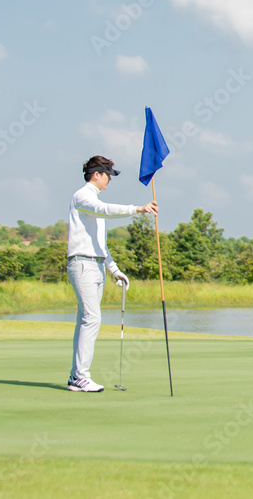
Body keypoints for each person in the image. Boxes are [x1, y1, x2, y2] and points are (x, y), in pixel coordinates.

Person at [66, 156, 158, 392]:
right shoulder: (83, 196)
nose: (109, 180)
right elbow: (103, 209)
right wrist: (137, 208)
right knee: (92, 318)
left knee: (85, 320)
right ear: (97, 174)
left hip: (96, 265)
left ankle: (76, 376)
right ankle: (80, 376)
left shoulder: (93, 201)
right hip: (82, 264)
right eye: (108, 175)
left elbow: (100, 244)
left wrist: (115, 270)